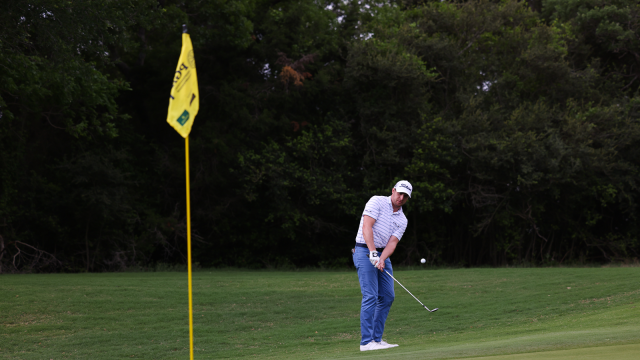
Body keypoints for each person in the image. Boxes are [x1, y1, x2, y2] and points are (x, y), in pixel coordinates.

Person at [352, 180, 412, 351]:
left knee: (387, 296)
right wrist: (372, 252)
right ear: (393, 190)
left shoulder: (402, 219)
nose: (401, 198)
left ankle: (376, 340)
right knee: (370, 295)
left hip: (382, 254)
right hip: (364, 250)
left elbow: (392, 243)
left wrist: (382, 258)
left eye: (405, 196)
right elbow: (367, 227)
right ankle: (366, 342)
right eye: (399, 193)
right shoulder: (376, 201)